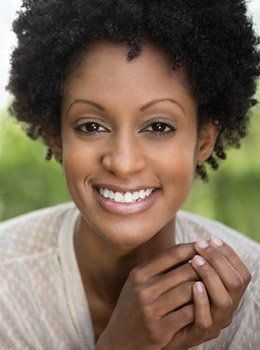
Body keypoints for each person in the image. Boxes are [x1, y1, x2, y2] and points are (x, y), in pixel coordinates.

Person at [1, 0, 260, 349]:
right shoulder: (7, 285)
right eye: (91, 126)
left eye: (158, 126)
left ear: (204, 140)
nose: (123, 163)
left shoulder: (251, 296)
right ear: (55, 136)